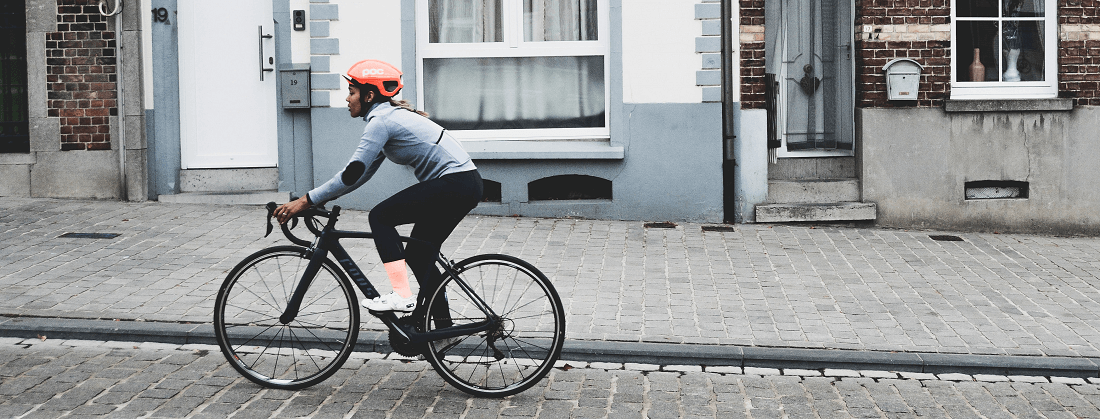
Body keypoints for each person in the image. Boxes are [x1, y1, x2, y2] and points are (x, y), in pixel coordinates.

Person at [274, 59, 482, 313]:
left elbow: (351, 173)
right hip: (463, 183)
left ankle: (401, 295)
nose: (347, 99)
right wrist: (319, 198)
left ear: (369, 95)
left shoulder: (381, 122)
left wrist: (305, 200)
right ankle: (440, 329)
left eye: (352, 92)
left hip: (454, 183)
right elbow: (361, 175)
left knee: (381, 217)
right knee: (418, 255)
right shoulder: (388, 119)